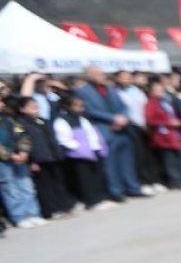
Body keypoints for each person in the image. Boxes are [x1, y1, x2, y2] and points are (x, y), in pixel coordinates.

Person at [74, 66, 148, 201]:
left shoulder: (110, 88)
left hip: (122, 128)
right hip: (105, 129)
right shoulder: (82, 91)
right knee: (110, 163)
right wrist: (113, 119)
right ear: (88, 76)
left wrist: (123, 117)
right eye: (96, 74)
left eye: (101, 73)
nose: (100, 76)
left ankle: (133, 187)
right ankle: (116, 191)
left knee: (127, 160)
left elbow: (123, 106)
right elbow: (89, 110)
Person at [9, 94, 75, 218]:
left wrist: (58, 154)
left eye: (36, 107)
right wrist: (31, 161)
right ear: (22, 109)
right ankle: (51, 210)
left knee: (58, 183)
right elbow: (20, 142)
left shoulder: (43, 121)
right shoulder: (19, 124)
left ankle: (64, 206)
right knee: (45, 187)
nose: (35, 109)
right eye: (31, 107)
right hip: (38, 160)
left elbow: (52, 139)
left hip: (52, 157)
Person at [52, 95, 113, 210]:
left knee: (96, 177)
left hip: (92, 152)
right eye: (77, 106)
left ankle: (100, 197)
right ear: (67, 106)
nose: (81, 109)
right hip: (78, 155)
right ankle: (91, 201)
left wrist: (97, 146)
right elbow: (64, 139)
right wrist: (79, 148)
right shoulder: (62, 120)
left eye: (82, 106)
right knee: (85, 180)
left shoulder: (83, 119)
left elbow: (92, 133)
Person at [0, 98, 45, 228]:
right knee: (10, 189)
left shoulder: (8, 120)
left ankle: (33, 213)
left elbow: (22, 134)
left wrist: (24, 151)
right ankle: (20, 216)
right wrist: (10, 155)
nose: (2, 104)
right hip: (4, 161)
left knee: (26, 186)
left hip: (19, 157)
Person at [144, 78, 181, 189]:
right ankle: (175, 180)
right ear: (152, 92)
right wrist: (168, 123)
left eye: (162, 90)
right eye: (157, 90)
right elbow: (150, 120)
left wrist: (178, 120)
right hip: (164, 135)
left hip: (176, 134)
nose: (161, 92)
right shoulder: (150, 103)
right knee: (170, 160)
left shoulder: (167, 102)